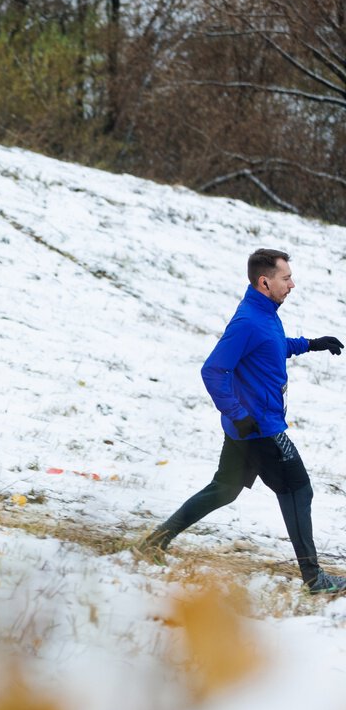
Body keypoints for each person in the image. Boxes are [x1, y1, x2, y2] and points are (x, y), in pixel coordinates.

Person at [139, 249, 346, 594]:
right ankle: (315, 578)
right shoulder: (248, 321)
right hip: (259, 427)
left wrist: (310, 344)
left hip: (246, 428)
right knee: (298, 489)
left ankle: (155, 541)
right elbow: (213, 370)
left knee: (224, 489)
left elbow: (272, 347)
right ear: (265, 282)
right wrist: (239, 414)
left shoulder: (264, 313)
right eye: (286, 278)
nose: (292, 284)